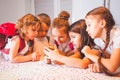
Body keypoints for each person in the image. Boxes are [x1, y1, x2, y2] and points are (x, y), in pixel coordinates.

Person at [81, 6, 120, 75]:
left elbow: (112, 66)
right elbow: (110, 62)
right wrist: (99, 64)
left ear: (102, 23)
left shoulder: (118, 35)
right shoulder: (99, 41)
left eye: (89, 25)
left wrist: (89, 54)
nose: (87, 29)